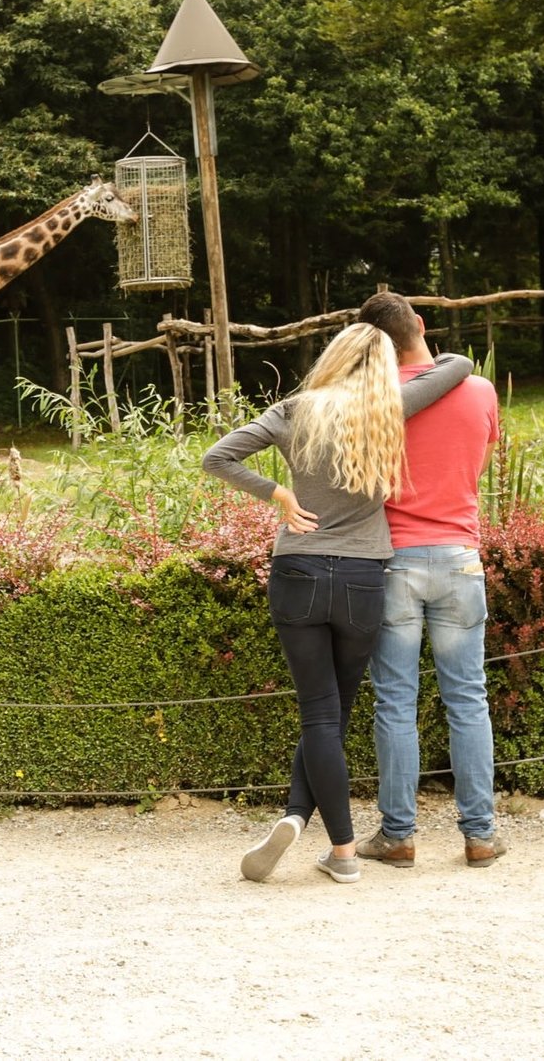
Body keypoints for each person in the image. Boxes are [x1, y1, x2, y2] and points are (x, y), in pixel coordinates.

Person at [202, 324, 472, 883]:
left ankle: (331, 841)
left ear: (333, 356)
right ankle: (306, 822)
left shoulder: (296, 408)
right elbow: (459, 366)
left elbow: (218, 457)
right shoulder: (388, 409)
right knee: (334, 715)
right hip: (364, 579)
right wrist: (420, 339)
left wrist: (279, 494)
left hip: (298, 569)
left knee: (320, 716)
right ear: (382, 364)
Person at [354, 291, 503, 869]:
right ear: (419, 324)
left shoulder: (373, 403)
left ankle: (398, 835)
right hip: (460, 558)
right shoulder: (482, 391)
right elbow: (475, 468)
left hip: (393, 562)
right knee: (468, 699)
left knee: (395, 702)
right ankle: (481, 835)